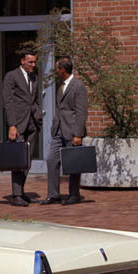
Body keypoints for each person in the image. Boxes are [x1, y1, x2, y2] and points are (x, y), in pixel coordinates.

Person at [42, 56, 88, 205]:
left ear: (63, 69)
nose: (55, 71)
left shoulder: (78, 86)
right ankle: (53, 195)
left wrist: (78, 134)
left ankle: (74, 194)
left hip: (72, 130)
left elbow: (81, 112)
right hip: (59, 130)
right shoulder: (60, 86)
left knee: (73, 162)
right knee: (51, 160)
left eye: (57, 68)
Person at [1, 50, 41, 206]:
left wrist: (38, 115)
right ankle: (16, 195)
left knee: (27, 160)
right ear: (22, 61)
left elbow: (34, 99)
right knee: (18, 159)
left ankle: (21, 191)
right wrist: (12, 125)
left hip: (33, 122)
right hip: (18, 123)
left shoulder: (34, 77)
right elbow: (8, 102)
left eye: (34, 62)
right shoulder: (11, 76)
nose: (33, 65)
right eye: (30, 62)